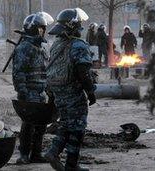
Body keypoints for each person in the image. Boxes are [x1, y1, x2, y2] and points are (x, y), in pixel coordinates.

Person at [44, 8, 96, 171]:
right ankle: (71, 164)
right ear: (73, 26)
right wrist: (91, 92)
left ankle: (54, 152)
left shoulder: (57, 44)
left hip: (58, 92)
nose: (80, 28)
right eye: (79, 25)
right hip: (73, 93)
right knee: (78, 127)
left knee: (66, 124)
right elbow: (83, 72)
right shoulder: (78, 45)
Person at [12, 12, 54, 164]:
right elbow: (19, 72)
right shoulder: (24, 48)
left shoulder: (40, 48)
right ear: (35, 29)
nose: (43, 31)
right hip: (29, 92)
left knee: (41, 125)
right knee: (28, 125)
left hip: (40, 92)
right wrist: (22, 91)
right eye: (41, 28)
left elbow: (44, 70)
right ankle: (24, 154)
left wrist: (48, 89)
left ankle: (36, 153)